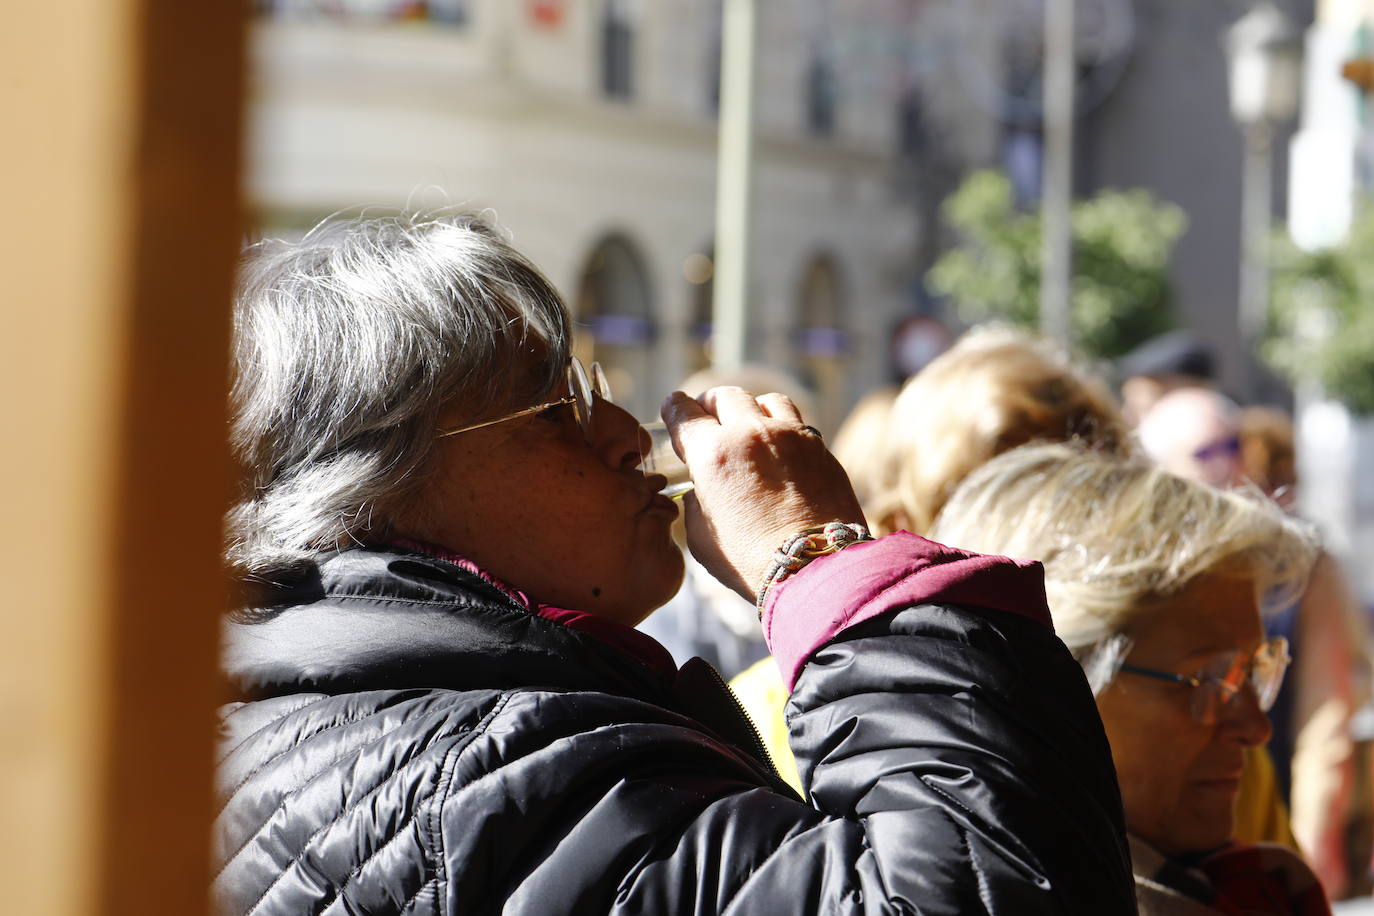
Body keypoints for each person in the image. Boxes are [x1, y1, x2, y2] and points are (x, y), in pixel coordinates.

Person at [212, 211, 1136, 915]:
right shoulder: (479, 777)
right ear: (374, 479)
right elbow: (981, 888)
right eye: (555, 410)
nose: (627, 434)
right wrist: (819, 559)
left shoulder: (399, 733)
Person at [929, 443, 1328, 915]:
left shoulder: (1259, 889)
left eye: (1256, 669)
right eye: (1211, 678)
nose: (1255, 728)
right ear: (1054, 685)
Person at [1140, 392, 1371, 897]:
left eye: (1234, 445)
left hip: (1269, 823)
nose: (1228, 463)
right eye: (1205, 452)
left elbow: (1325, 719)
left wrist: (1310, 853)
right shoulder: (1133, 578)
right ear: (1156, 469)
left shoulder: (1297, 562)